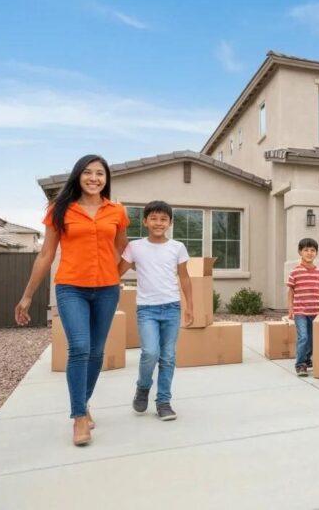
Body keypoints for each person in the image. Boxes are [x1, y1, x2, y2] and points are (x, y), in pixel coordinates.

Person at [15, 154, 129, 446]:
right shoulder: (60, 209)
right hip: (71, 288)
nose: (94, 178)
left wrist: (115, 276)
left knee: (96, 352)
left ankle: (83, 401)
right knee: (79, 347)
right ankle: (79, 417)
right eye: (88, 173)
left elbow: (125, 251)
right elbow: (46, 254)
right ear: (78, 176)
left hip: (106, 290)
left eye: (100, 174)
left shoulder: (116, 211)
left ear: (106, 179)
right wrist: (27, 295)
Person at [117, 201, 193, 421]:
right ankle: (143, 387)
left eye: (163, 219)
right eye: (154, 218)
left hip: (171, 308)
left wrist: (190, 306)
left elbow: (185, 277)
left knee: (168, 357)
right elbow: (117, 272)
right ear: (145, 221)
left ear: (170, 222)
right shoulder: (135, 247)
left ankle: (163, 402)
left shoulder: (177, 247)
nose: (158, 223)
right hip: (146, 309)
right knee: (150, 353)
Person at [287, 238, 319, 377]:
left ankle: (307, 358)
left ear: (316, 253)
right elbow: (291, 291)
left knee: (312, 338)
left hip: (315, 311)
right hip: (300, 311)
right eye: (306, 250)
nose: (309, 253)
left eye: (312, 250)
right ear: (300, 252)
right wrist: (291, 308)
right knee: (303, 337)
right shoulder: (295, 272)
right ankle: (300, 364)